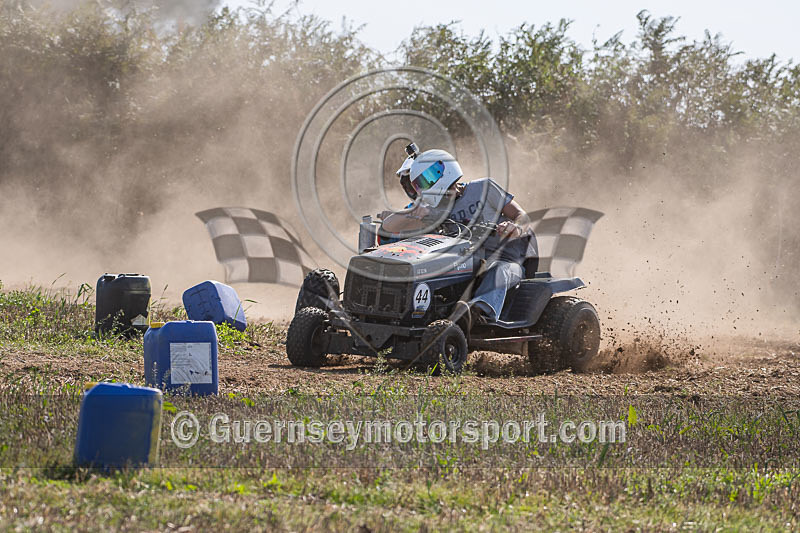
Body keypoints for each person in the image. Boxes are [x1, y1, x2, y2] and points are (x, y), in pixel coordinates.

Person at [382, 148, 534, 324]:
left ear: (446, 169)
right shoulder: (433, 209)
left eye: (430, 177)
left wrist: (514, 227)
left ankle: (477, 313)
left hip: (508, 260)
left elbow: (522, 216)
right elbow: (388, 226)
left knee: (498, 270)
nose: (427, 184)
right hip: (465, 264)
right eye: (421, 183)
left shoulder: (483, 188)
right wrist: (413, 212)